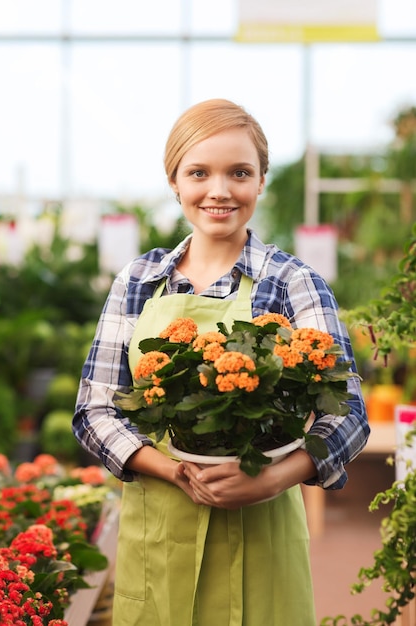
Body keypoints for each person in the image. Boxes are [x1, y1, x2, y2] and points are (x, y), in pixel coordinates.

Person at [73, 98, 369, 625]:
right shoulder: (138, 282)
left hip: (263, 524)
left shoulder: (293, 282)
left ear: (260, 182)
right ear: (175, 182)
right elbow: (95, 410)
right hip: (160, 525)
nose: (219, 190)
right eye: (199, 172)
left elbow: (347, 413)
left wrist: (273, 479)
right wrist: (173, 469)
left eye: (239, 172)